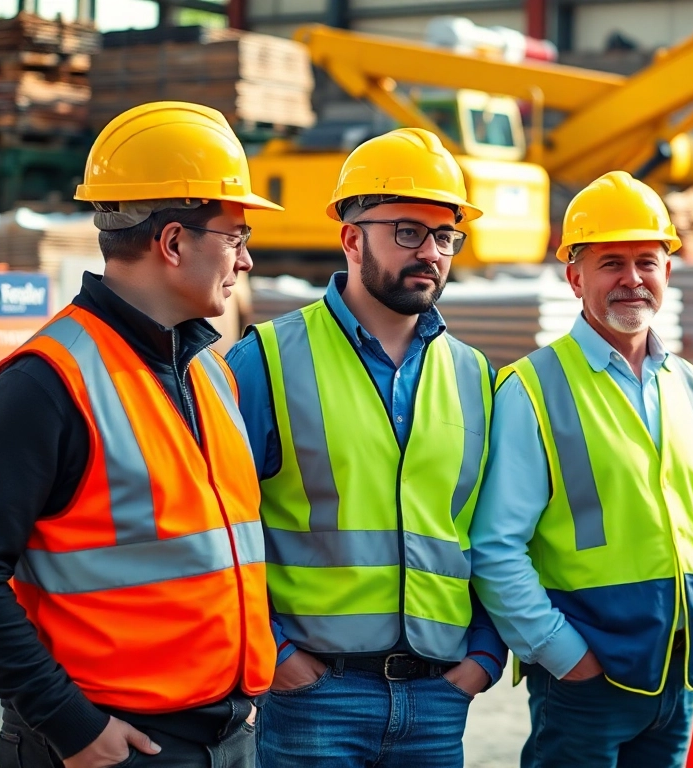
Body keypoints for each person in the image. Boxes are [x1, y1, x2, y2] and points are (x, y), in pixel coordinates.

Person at [0, 101, 281, 768]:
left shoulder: (211, 375)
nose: (246, 261)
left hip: (224, 736)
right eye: (235, 237)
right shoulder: (45, 384)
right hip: (111, 744)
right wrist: (70, 726)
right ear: (172, 243)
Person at [225, 127, 505, 768]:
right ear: (352, 238)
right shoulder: (267, 359)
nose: (430, 252)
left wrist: (485, 656)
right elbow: (219, 526)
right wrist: (277, 653)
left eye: (445, 237)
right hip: (314, 696)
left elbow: (491, 531)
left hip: (438, 699)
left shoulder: (476, 377)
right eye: (407, 231)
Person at [469, 171, 693, 768]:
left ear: (668, 273)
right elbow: (496, 546)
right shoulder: (532, 388)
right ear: (574, 277)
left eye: (646, 261)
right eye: (610, 263)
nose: (632, 279)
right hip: (586, 685)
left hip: (682, 674)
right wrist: (562, 653)